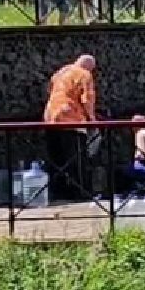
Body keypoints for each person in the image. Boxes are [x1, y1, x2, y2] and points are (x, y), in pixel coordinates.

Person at [43, 54, 98, 201]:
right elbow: (87, 99)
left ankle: (57, 193)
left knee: (57, 159)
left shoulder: (60, 72)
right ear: (89, 67)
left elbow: (50, 91)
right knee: (77, 159)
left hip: (51, 117)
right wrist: (92, 119)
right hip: (72, 118)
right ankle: (82, 193)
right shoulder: (84, 74)